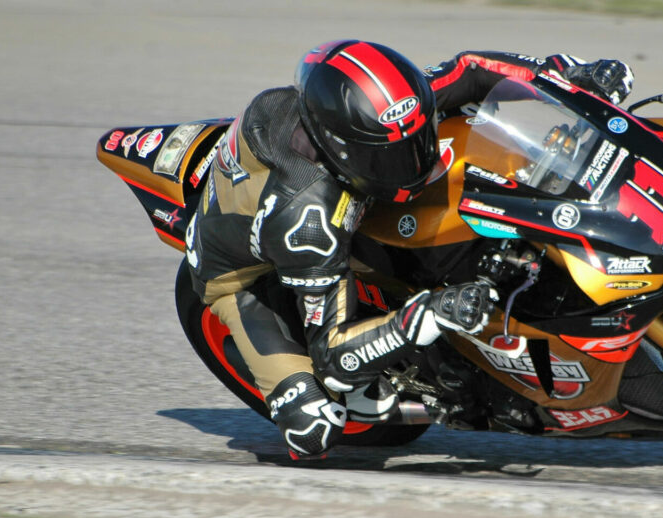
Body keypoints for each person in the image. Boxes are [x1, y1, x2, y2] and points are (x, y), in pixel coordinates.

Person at [185, 40, 634, 459]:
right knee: (314, 428)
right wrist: (433, 312)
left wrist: (569, 76)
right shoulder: (308, 224)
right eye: (391, 158)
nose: (418, 161)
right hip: (238, 279)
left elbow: (472, 70)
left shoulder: (385, 111)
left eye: (417, 139)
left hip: (278, 181)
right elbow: (335, 357)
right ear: (342, 151)